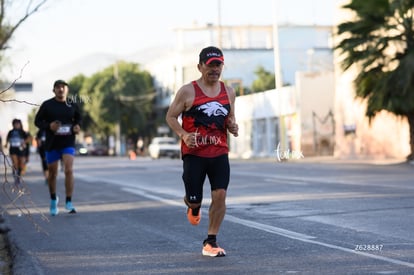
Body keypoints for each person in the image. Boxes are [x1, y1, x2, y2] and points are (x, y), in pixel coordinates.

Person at [165, 46, 239, 257]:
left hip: (219, 152)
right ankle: (193, 205)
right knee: (195, 199)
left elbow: (229, 119)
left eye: (218, 65)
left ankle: (211, 241)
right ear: (200, 67)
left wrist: (233, 127)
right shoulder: (188, 91)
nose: (215, 69)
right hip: (194, 154)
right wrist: (184, 134)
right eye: (210, 65)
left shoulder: (229, 92)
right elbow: (170, 116)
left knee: (220, 195)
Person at [34, 80, 81, 216]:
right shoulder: (47, 105)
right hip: (52, 143)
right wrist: (49, 126)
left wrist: (77, 126)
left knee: (69, 169)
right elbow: (37, 121)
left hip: (68, 142)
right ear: (54, 90)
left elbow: (79, 118)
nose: (61, 89)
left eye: (63, 87)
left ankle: (68, 202)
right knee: (53, 173)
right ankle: (54, 199)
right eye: (58, 87)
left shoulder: (72, 104)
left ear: (67, 90)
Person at [5, 119, 29, 184]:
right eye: (15, 124)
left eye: (18, 124)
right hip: (13, 149)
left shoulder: (23, 132)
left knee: (21, 164)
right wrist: (6, 144)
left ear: (20, 124)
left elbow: (28, 138)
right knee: (15, 163)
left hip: (21, 149)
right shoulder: (11, 132)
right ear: (13, 124)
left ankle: (18, 176)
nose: (17, 125)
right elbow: (7, 139)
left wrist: (24, 142)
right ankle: (15, 174)